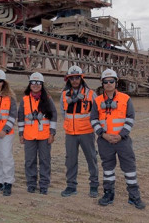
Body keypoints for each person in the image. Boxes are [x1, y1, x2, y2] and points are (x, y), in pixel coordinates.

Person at [90, 68, 146, 209]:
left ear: (116, 82)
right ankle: (108, 194)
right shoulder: (97, 101)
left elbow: (130, 118)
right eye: (106, 81)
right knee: (108, 169)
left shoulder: (125, 99)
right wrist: (103, 134)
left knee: (129, 169)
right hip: (105, 141)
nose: (108, 84)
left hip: (123, 141)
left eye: (111, 81)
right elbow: (93, 120)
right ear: (102, 83)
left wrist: (121, 135)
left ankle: (134, 196)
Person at [60, 66, 99, 198]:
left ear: (81, 78)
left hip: (86, 133)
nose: (75, 80)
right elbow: (63, 112)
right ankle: (71, 186)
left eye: (77, 78)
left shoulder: (91, 94)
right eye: (72, 78)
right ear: (68, 80)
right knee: (70, 160)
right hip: (70, 133)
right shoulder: (64, 95)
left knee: (91, 159)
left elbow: (97, 113)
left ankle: (94, 186)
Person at [18, 72, 57, 195]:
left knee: (45, 161)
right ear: (29, 85)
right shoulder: (25, 100)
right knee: (30, 161)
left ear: (42, 85)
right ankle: (31, 184)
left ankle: (44, 185)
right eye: (33, 83)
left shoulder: (47, 99)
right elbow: (20, 118)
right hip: (29, 136)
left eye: (38, 83)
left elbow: (53, 116)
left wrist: (52, 133)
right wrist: (21, 134)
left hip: (44, 136)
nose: (35, 85)